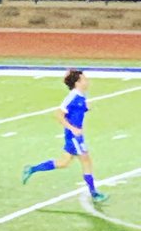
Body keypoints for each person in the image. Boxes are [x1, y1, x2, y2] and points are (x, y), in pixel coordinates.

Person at [21, 69, 107, 203]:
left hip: (74, 135)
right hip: (74, 136)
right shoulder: (72, 97)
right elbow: (58, 114)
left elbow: (76, 112)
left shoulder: (81, 95)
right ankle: (94, 193)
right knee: (86, 161)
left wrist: (86, 108)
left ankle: (32, 169)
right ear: (77, 83)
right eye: (84, 79)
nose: (87, 81)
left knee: (63, 162)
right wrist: (73, 129)